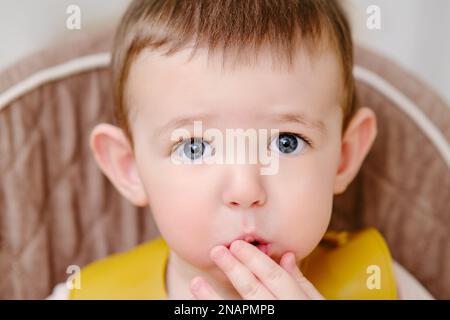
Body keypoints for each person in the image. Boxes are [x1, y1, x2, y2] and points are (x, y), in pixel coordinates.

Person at [48, 0, 433, 300]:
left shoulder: (378, 282)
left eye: (287, 142)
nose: (246, 190)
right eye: (195, 147)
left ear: (344, 157)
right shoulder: (89, 293)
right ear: (129, 168)